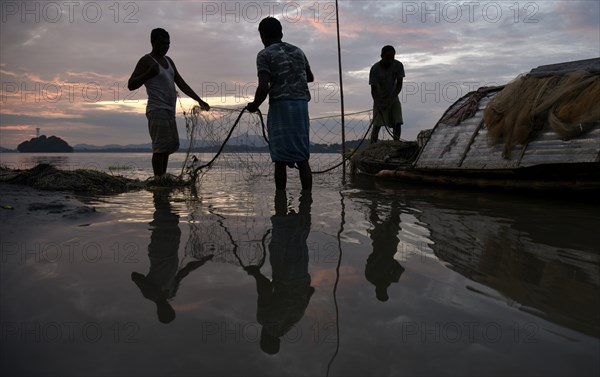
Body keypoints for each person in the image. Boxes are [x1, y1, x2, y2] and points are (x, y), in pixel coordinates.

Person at [128, 28, 210, 181]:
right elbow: (131, 84)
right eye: (162, 44)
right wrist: (148, 74)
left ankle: (162, 178)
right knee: (159, 148)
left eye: (168, 44)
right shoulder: (146, 60)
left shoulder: (169, 61)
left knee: (166, 148)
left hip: (169, 111)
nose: (165, 47)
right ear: (153, 43)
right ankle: (158, 180)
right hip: (157, 109)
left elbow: (181, 83)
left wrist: (199, 99)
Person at [246, 17, 314, 191]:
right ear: (281, 33)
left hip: (281, 107)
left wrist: (254, 105)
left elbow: (263, 88)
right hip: (300, 106)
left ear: (262, 35)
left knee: (280, 160)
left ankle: (280, 203)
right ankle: (307, 201)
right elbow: (310, 77)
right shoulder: (298, 51)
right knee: (303, 158)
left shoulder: (264, 54)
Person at [244, 191, 314, 354]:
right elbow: (265, 289)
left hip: (303, 274)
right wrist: (255, 273)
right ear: (263, 337)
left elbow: (310, 293)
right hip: (285, 275)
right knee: (281, 230)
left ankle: (304, 201)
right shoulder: (265, 319)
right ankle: (283, 197)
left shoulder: (294, 319)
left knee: (300, 236)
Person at [131, 189, 213, 323]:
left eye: (165, 311)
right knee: (173, 216)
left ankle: (159, 191)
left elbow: (134, 276)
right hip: (173, 244)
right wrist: (203, 261)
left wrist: (154, 293)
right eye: (169, 310)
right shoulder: (171, 292)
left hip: (159, 249)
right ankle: (162, 190)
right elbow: (184, 272)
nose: (166, 307)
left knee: (163, 215)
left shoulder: (149, 294)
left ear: (159, 311)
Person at [369, 45, 405, 144]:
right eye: (387, 58)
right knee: (377, 125)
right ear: (382, 56)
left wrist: (391, 98)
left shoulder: (398, 65)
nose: (390, 61)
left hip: (393, 97)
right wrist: (379, 103)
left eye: (392, 58)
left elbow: (399, 85)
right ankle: (372, 146)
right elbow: (373, 90)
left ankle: (396, 144)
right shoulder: (375, 69)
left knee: (398, 121)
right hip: (379, 99)